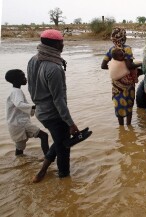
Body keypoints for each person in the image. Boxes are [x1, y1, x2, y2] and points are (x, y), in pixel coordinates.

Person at [27, 29, 79, 183]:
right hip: (54, 114)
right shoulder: (54, 68)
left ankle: (42, 171)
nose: (63, 45)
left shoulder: (33, 60)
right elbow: (59, 100)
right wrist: (70, 123)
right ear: (56, 44)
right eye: (62, 42)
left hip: (41, 111)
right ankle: (64, 182)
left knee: (60, 141)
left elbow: (31, 87)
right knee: (63, 150)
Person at [5, 69, 49, 156]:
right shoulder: (16, 92)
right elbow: (19, 104)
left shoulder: (15, 91)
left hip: (17, 124)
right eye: (23, 77)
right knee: (43, 137)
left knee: (20, 148)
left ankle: (22, 163)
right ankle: (48, 158)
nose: (25, 78)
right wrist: (35, 106)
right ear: (16, 80)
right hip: (19, 124)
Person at [101, 28, 140, 125]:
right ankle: (129, 125)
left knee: (118, 105)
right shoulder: (127, 49)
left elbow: (103, 66)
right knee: (129, 105)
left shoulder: (111, 50)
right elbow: (129, 65)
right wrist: (141, 64)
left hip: (116, 85)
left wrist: (115, 68)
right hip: (128, 84)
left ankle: (121, 128)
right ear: (124, 37)